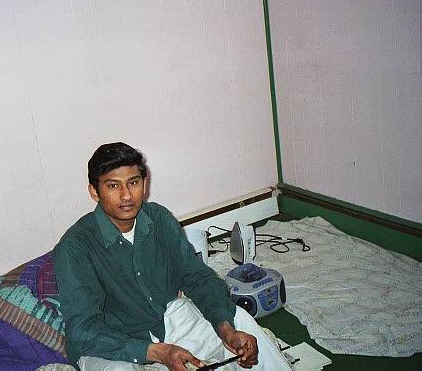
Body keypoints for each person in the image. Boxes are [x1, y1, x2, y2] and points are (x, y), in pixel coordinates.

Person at [54, 142, 291, 371]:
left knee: (241, 324)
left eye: (133, 182)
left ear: (144, 184)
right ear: (94, 192)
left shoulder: (159, 219)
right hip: (109, 341)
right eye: (113, 186)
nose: (126, 195)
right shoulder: (75, 247)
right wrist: (157, 352)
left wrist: (225, 329)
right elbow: (83, 330)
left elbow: (198, 278)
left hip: (166, 317)